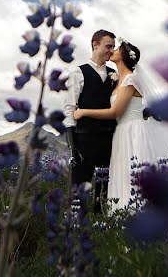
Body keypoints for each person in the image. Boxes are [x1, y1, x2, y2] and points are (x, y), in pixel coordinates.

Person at [72, 39, 168, 211]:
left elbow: (115, 112)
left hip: (133, 131)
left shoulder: (130, 79)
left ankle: (140, 215)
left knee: (135, 175)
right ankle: (121, 216)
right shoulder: (118, 80)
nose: (112, 51)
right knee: (122, 175)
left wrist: (83, 112)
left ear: (123, 55)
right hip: (122, 132)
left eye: (116, 49)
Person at [63, 29, 117, 208]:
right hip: (85, 137)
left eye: (113, 47)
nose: (111, 50)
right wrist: (72, 146)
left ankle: (100, 227)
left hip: (110, 138)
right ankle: (77, 229)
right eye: (108, 46)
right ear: (95, 45)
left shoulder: (114, 74)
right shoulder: (78, 73)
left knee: (105, 187)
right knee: (80, 186)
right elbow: (69, 109)